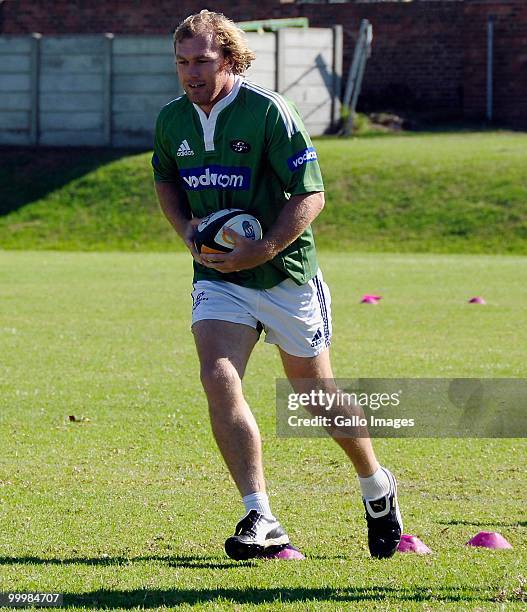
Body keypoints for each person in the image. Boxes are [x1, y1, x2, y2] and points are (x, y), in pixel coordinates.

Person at [152, 9, 402, 561]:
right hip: (220, 280)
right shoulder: (173, 120)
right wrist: (188, 230)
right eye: (182, 62)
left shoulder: (268, 112)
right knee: (218, 377)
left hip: (284, 275)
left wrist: (261, 249)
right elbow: (165, 178)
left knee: (316, 397)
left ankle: (376, 485)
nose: (192, 72)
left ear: (230, 58)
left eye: (203, 60)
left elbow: (311, 194)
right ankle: (260, 516)